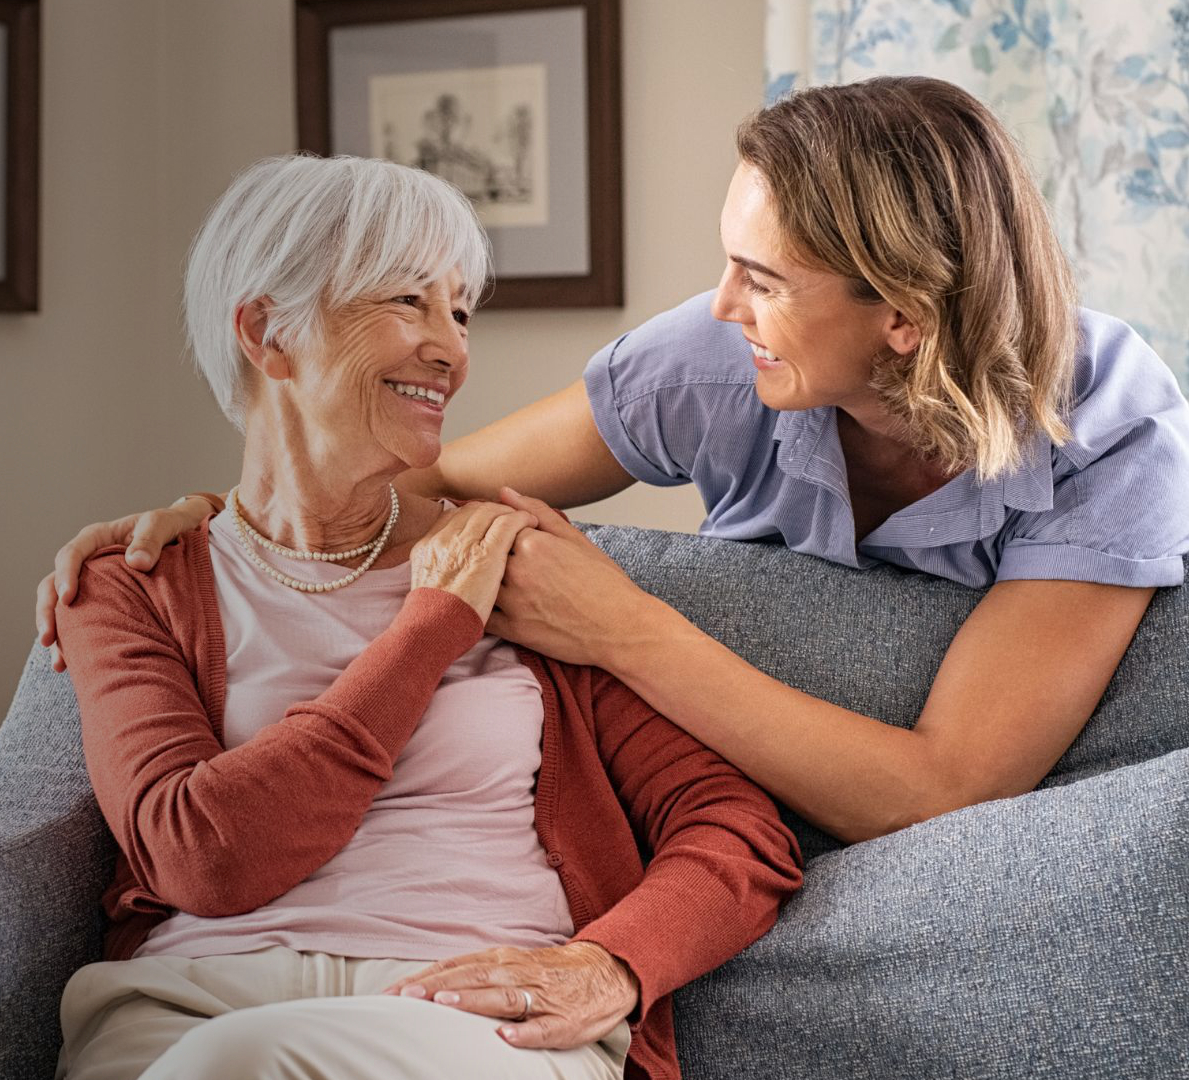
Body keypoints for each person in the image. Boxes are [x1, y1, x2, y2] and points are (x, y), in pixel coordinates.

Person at [41, 76, 1189, 845]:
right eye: (727, 262)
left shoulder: (1113, 426)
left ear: (903, 313)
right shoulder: (710, 357)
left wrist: (622, 627)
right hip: (738, 794)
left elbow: (950, 789)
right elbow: (427, 493)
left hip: (975, 819)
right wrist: (224, 516)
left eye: (767, 280)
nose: (722, 303)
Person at [53, 153, 800, 1080]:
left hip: (467, 1013)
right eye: (406, 302)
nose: (450, 348)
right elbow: (204, 860)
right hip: (186, 1004)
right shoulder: (129, 583)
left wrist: (611, 965)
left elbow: (733, 826)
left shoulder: (520, 569)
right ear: (267, 333)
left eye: (459, 311)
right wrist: (430, 628)